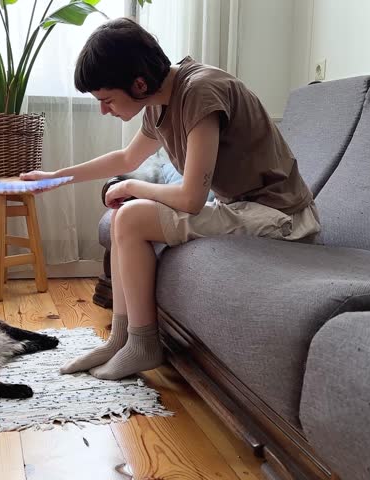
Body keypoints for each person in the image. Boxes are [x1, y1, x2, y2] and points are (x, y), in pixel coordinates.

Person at [20, 18, 320, 380]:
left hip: (280, 217)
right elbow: (127, 159)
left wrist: (132, 188)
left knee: (129, 216)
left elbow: (191, 198)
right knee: (124, 218)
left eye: (107, 99)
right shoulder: (161, 102)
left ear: (139, 83)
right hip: (245, 209)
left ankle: (144, 345)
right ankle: (122, 340)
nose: (104, 109)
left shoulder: (201, 91)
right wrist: (56, 177)